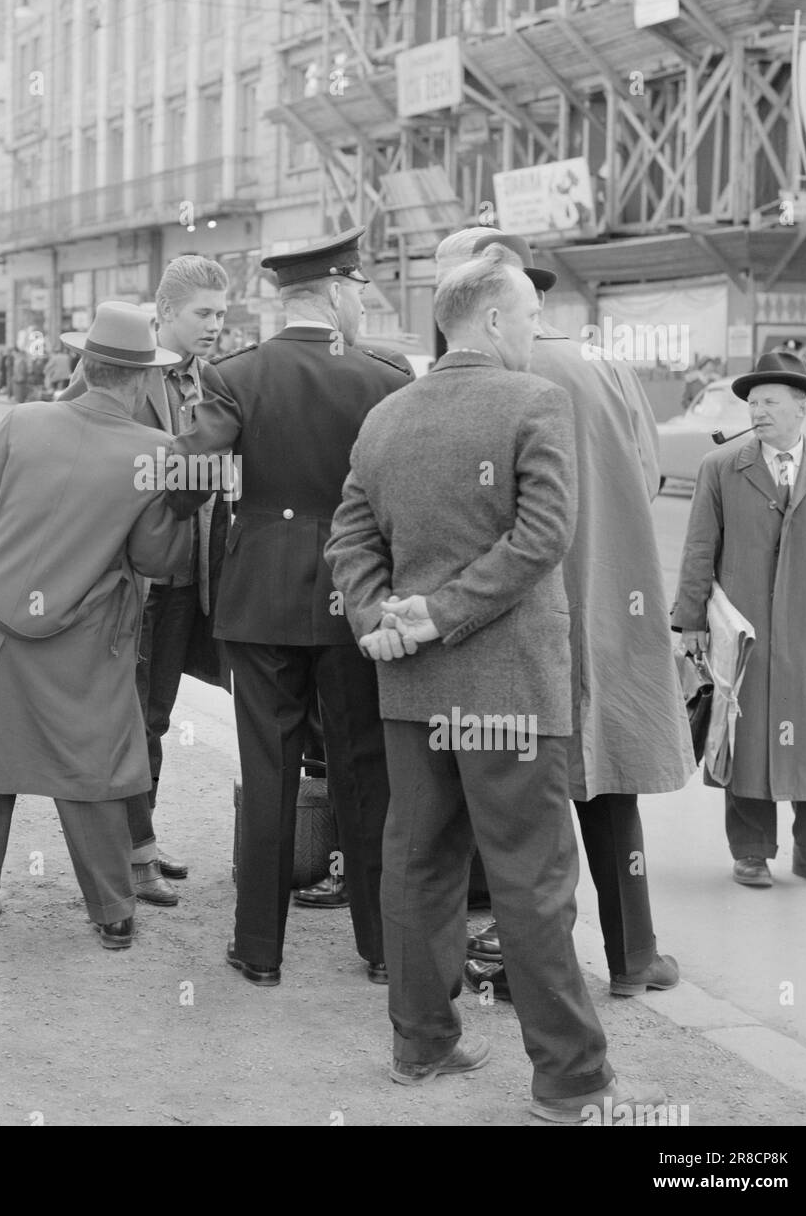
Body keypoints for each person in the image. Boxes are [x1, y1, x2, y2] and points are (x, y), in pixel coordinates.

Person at [326, 242, 663, 1122]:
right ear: (490, 317)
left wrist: (381, 618)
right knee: (533, 881)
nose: (535, 329)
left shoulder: (387, 415)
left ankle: (421, 1043)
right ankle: (571, 1080)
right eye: (529, 314)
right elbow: (544, 536)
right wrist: (440, 614)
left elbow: (348, 539)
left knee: (419, 865)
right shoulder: (534, 401)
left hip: (411, 689)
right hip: (511, 689)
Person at [431, 229, 692, 1004]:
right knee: (606, 780)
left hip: (522, 609)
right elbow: (647, 475)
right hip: (611, 597)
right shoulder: (604, 363)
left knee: (525, 799)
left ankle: (530, 965)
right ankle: (634, 957)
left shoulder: (485, 376)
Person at [168, 227, 413, 987]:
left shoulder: (236, 373)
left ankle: (259, 949)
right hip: (356, 596)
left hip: (261, 598)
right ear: (337, 292)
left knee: (268, 768)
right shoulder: (385, 377)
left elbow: (183, 483)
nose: (361, 305)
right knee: (362, 771)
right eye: (358, 292)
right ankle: (382, 947)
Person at [0, 302, 190, 951]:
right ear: (143, 378)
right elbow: (156, 557)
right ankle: (113, 913)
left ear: (83, 364)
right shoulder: (155, 451)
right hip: (84, 637)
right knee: (90, 769)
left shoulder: (22, 422)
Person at [58, 257, 231, 906]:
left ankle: (143, 843)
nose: (214, 325)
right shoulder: (123, 365)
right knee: (126, 719)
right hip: (131, 579)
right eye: (203, 314)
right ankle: (130, 856)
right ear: (165, 314)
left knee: (154, 718)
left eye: (221, 313)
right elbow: (69, 432)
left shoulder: (214, 378)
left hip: (187, 579)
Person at [672, 352, 806, 889]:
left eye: (769, 402)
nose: (757, 411)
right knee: (744, 736)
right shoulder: (721, 467)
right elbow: (699, 549)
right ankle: (750, 851)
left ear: (802, 408)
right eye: (753, 403)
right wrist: (691, 623)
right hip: (741, 632)